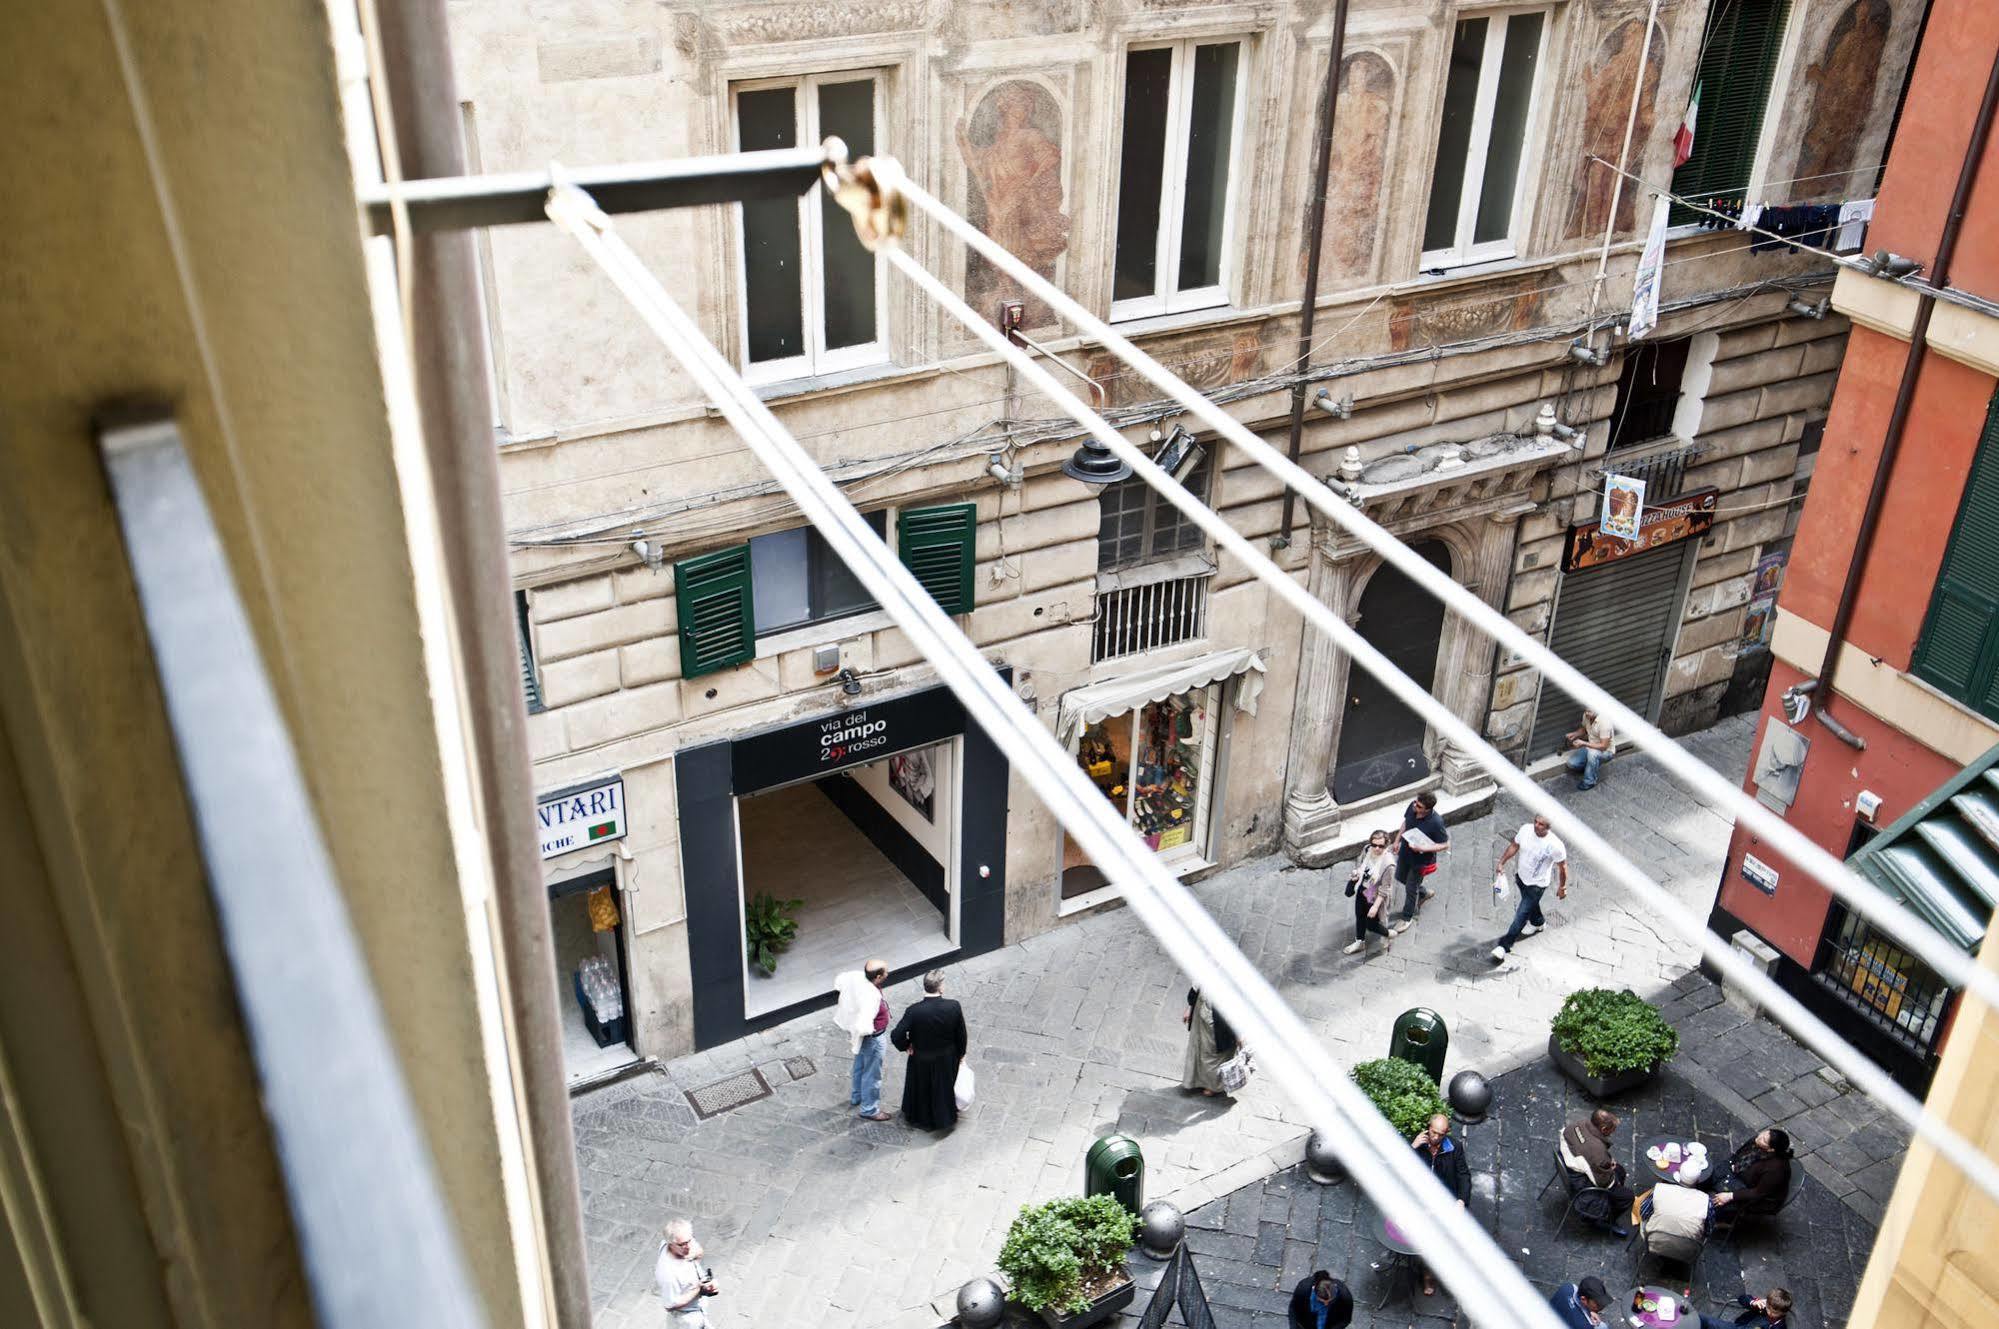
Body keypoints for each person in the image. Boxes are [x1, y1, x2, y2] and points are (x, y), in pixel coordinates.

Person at [889, 970, 968, 1130]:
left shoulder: (914, 1010)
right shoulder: (953, 1006)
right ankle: (943, 1118)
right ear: (940, 987)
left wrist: (906, 1046)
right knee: (943, 1087)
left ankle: (920, 1117)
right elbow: (961, 1034)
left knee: (921, 1087)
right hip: (947, 1056)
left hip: (921, 1057)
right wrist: (961, 1054)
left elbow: (896, 1035)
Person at [1491, 814, 1569, 963]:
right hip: (1521, 877)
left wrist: (1563, 886)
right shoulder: (1525, 830)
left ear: (1548, 828)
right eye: (1535, 821)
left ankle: (1504, 946)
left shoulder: (1555, 845)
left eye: (1541, 824)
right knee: (1530, 906)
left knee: (1521, 915)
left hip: (1537, 885)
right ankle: (1538, 923)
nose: (1536, 825)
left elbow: (1563, 867)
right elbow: (1514, 845)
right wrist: (1501, 862)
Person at [1410, 1113, 1469, 1295]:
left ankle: (1431, 1272)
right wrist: (1412, 1147)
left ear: (1447, 1133)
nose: (1435, 1137)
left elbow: (1463, 1175)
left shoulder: (1454, 1147)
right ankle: (1427, 1271)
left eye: (1440, 1134)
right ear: (1428, 1128)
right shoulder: (1419, 1144)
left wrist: (1461, 1200)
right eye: (1433, 1132)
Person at [833, 959, 892, 1121]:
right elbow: (864, 1023)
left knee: (859, 1065)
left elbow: (839, 981)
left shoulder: (857, 977)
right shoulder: (871, 995)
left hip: (862, 1036)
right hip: (873, 1037)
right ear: (879, 977)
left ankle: (856, 1096)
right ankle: (869, 1109)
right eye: (886, 971)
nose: (888, 973)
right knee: (872, 1075)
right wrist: (869, 1032)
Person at [1559, 1108, 1633, 1235]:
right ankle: (1603, 1219)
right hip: (1581, 1182)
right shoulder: (1598, 1152)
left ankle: (1610, 1202)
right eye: (1612, 1129)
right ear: (1604, 1129)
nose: (1613, 1132)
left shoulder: (1579, 1124)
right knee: (1627, 1196)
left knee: (1620, 1171)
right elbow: (1603, 1183)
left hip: (1568, 1164)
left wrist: (1607, 1163)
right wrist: (1609, 1169)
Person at [1389, 790, 1449, 935]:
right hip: (1405, 853)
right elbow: (1406, 823)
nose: (1415, 806)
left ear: (1428, 809)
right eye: (1415, 803)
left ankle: (1407, 917)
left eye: (1419, 806)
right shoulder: (1412, 807)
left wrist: (1423, 848)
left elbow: (1445, 844)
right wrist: (1397, 840)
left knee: (1410, 888)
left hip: (1420, 860)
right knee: (1401, 878)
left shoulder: (1436, 822)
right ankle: (1423, 892)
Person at [1712, 1129, 1794, 1217]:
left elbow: (1758, 1193)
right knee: (1710, 1176)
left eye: (1764, 1140)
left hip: (1758, 1195)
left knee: (1716, 1205)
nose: (1759, 1137)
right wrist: (1735, 1165)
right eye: (1763, 1133)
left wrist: (1729, 1196)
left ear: (1771, 1149)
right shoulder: (1757, 1140)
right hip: (1741, 1174)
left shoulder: (1775, 1170)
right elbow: (1738, 1154)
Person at [654, 1218, 719, 1326]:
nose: (688, 1247)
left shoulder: (682, 1243)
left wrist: (695, 1254)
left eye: (689, 1241)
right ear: (670, 1243)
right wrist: (699, 1289)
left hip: (698, 1307)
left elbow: (698, 1251)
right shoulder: (668, 1274)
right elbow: (670, 1305)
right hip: (687, 1318)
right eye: (682, 1244)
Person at [1342, 829, 1396, 956]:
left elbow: (1385, 889)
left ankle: (1388, 934)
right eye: (1374, 845)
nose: (1377, 848)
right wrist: (1357, 874)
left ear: (1386, 845)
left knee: (1371, 924)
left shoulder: (1389, 865)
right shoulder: (1367, 849)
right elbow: (1361, 864)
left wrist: (1375, 907)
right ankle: (1360, 942)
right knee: (1360, 916)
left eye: (1381, 846)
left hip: (1374, 895)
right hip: (1362, 888)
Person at [1182, 986, 1238, 1096]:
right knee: (1199, 1045)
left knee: (1215, 1050)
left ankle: (1213, 1085)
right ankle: (1196, 1080)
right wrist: (1190, 1006)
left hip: (1223, 1012)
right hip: (1204, 1004)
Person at [1565, 710, 1614, 791]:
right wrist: (1574, 734)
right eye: (1586, 711)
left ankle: (1589, 782)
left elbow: (1604, 746)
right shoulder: (1586, 716)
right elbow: (1584, 729)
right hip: (1591, 746)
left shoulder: (1605, 723)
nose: (1587, 713)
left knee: (1593, 754)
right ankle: (1591, 765)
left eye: (1590, 711)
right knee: (1572, 763)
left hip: (1606, 751)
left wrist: (1583, 743)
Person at [1699, 1287, 1793, 1329]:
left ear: (1783, 1313)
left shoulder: (1780, 1327)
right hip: (1739, 1326)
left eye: (1775, 1313)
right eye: (1768, 1308)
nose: (1769, 1313)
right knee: (1706, 1320)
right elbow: (1741, 1298)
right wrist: (1752, 1302)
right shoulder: (1763, 1305)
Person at [1287, 1271, 1353, 1329]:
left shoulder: (1345, 1297)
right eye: (1321, 1301)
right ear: (1314, 1290)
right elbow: (1293, 1309)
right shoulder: (1303, 1289)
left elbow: (1345, 1319)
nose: (1326, 1304)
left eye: (1330, 1301)